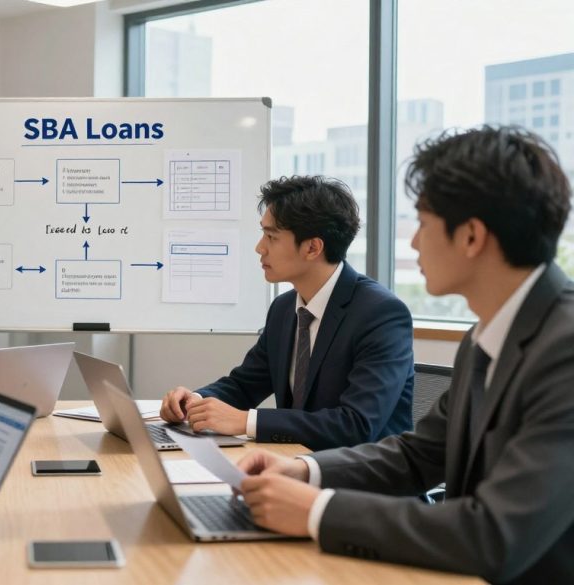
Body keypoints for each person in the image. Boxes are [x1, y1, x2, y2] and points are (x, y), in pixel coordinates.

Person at [237, 127, 574, 583]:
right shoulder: (486, 336)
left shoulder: (564, 351)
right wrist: (304, 469)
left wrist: (319, 511)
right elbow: (418, 455)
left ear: (471, 236)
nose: (413, 243)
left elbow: (495, 535)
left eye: (422, 223)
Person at [160, 175, 413, 450]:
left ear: (313, 247)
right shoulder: (284, 308)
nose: (260, 247)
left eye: (271, 237)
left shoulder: (380, 314)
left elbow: (356, 425)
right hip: (296, 466)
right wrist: (195, 401)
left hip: (362, 480)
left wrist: (247, 422)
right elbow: (245, 385)